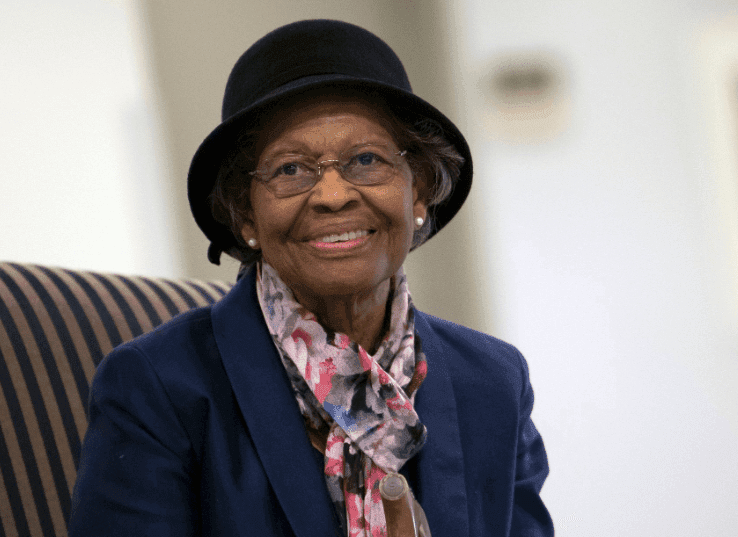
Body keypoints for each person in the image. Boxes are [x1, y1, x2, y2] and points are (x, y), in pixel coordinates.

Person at [69, 19, 553, 537]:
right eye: (291, 170)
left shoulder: (494, 382)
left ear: (420, 192)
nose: (332, 195)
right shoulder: (158, 386)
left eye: (366, 160)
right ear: (245, 216)